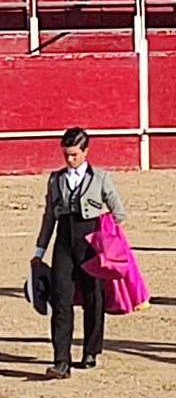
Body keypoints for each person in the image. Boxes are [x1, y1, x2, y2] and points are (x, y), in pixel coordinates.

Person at [31, 128, 127, 379]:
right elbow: (49, 217)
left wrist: (107, 240)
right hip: (63, 241)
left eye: (74, 154)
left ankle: (91, 350)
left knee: (93, 297)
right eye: (66, 155)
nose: (70, 160)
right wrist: (39, 251)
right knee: (60, 299)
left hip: (91, 242)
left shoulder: (101, 178)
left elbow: (119, 213)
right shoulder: (55, 179)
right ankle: (61, 360)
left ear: (86, 151)